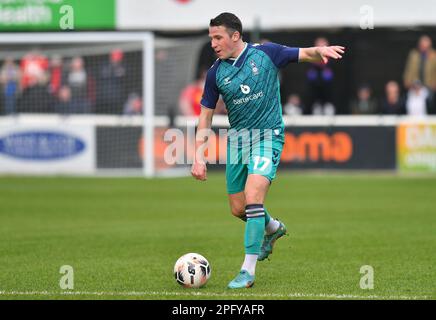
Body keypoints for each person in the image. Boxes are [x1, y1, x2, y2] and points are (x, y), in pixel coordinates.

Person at [191, 12, 345, 289]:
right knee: (239, 208)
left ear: (235, 36)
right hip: (238, 142)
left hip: (268, 137)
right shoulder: (216, 73)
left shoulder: (266, 54)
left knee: (252, 197)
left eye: (218, 37)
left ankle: (247, 271)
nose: (213, 43)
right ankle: (273, 228)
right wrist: (198, 156)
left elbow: (302, 54)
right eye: (211, 38)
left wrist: (319, 51)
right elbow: (205, 117)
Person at [306, 37, 336, 115]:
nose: (322, 49)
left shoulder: (333, 60)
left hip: (329, 102)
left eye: (323, 46)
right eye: (319, 46)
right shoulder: (309, 60)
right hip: (315, 103)